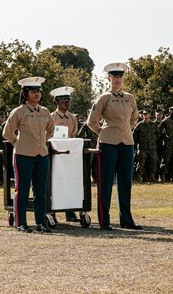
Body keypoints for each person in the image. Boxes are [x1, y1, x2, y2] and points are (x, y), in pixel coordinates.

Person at [86, 63, 141, 231]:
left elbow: (134, 117)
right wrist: (103, 132)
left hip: (127, 144)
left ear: (123, 78)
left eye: (120, 77)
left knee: (125, 183)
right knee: (106, 182)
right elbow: (91, 121)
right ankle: (104, 220)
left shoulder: (129, 97)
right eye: (114, 77)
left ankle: (127, 219)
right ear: (109, 78)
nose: (117, 80)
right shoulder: (104, 98)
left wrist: (127, 130)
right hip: (108, 144)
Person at [2, 76, 55, 233]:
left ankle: (40, 223)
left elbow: (51, 130)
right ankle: (21, 223)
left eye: (38, 91)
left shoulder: (45, 111)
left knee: (41, 191)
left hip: (41, 156)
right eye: (33, 91)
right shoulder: (19, 112)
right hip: (23, 155)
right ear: (25, 93)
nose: (36, 94)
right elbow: (7, 132)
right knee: (22, 190)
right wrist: (17, 143)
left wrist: (43, 141)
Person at [49, 86, 79, 221]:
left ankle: (70, 212)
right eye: (63, 99)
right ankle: (52, 212)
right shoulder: (50, 117)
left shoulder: (72, 118)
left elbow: (73, 135)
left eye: (68, 100)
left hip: (68, 156)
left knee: (68, 182)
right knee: (53, 184)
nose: (67, 102)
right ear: (56, 101)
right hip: (53, 155)